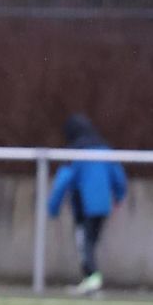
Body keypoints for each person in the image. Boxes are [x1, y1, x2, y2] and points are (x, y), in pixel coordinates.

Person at [48, 114, 128, 295]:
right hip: (102, 205)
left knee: (85, 242)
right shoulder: (105, 150)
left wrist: (53, 207)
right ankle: (90, 278)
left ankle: (92, 277)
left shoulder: (76, 153)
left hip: (85, 206)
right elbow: (118, 176)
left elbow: (63, 181)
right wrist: (119, 195)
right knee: (89, 241)